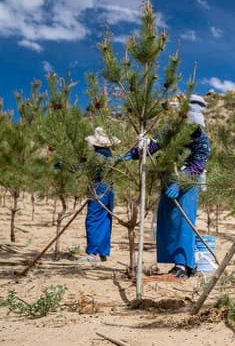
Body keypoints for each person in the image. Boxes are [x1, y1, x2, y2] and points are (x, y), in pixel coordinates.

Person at [124, 94, 211, 279]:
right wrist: (135, 153)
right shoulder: (171, 130)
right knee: (168, 221)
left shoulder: (202, 139)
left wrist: (179, 183)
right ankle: (183, 263)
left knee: (184, 221)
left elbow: (197, 165)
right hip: (167, 178)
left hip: (188, 183)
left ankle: (183, 265)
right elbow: (155, 145)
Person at [82, 127, 119, 262]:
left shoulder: (98, 155)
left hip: (98, 187)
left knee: (93, 219)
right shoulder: (109, 154)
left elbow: (87, 170)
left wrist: (68, 166)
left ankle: (92, 253)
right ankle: (102, 252)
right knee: (105, 219)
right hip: (109, 188)